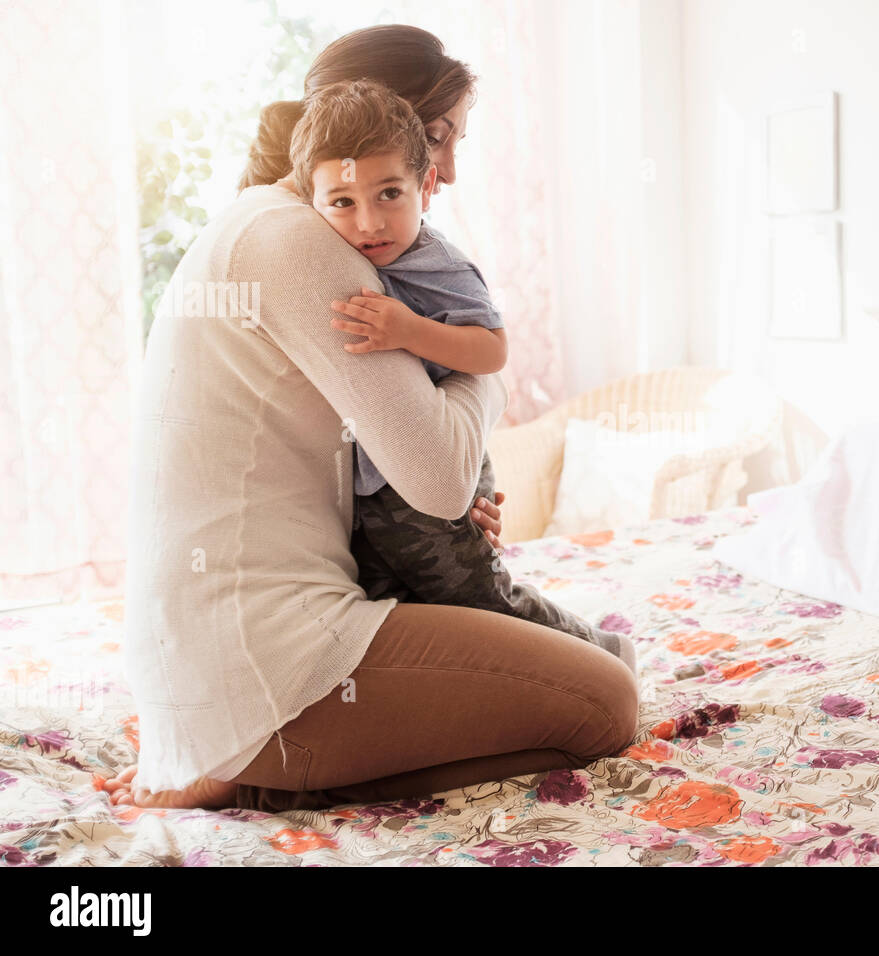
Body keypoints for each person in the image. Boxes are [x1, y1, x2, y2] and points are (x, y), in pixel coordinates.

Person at [103, 24, 639, 813]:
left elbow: (394, 464)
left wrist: (444, 437)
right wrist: (488, 363)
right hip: (263, 670)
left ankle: (247, 761)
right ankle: (258, 779)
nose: (447, 170)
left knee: (571, 659)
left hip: (215, 661)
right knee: (608, 702)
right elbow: (442, 482)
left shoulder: (264, 220)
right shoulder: (299, 245)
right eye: (438, 139)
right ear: (381, 127)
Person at [290, 78, 632, 667]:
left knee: (481, 597)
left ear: (424, 187)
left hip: (432, 476)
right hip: (372, 491)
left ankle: (601, 655)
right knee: (389, 607)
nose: (369, 222)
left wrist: (408, 331)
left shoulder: (436, 262)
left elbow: (492, 351)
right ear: (311, 201)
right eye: (343, 202)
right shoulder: (322, 251)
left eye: (389, 194)